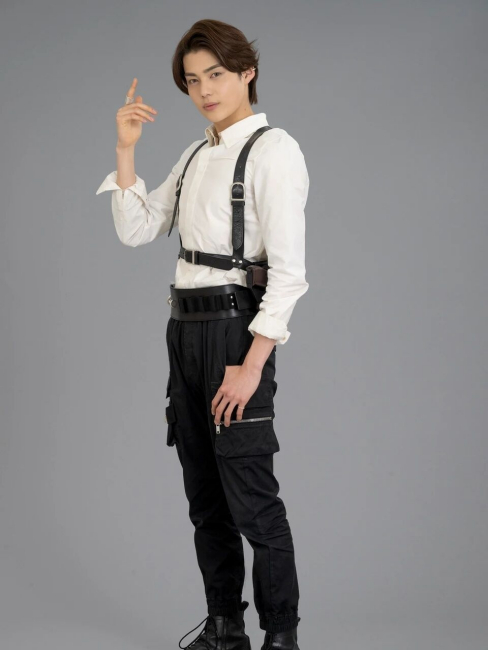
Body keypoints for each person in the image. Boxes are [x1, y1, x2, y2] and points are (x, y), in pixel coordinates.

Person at [96, 18, 309, 650]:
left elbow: (290, 275)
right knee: (205, 498)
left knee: (252, 499)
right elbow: (137, 229)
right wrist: (126, 149)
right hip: (183, 334)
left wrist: (252, 363)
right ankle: (225, 629)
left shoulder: (274, 150)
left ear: (247, 72)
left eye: (216, 74)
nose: (205, 90)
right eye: (192, 80)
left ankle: (281, 638)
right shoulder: (193, 154)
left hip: (235, 334)